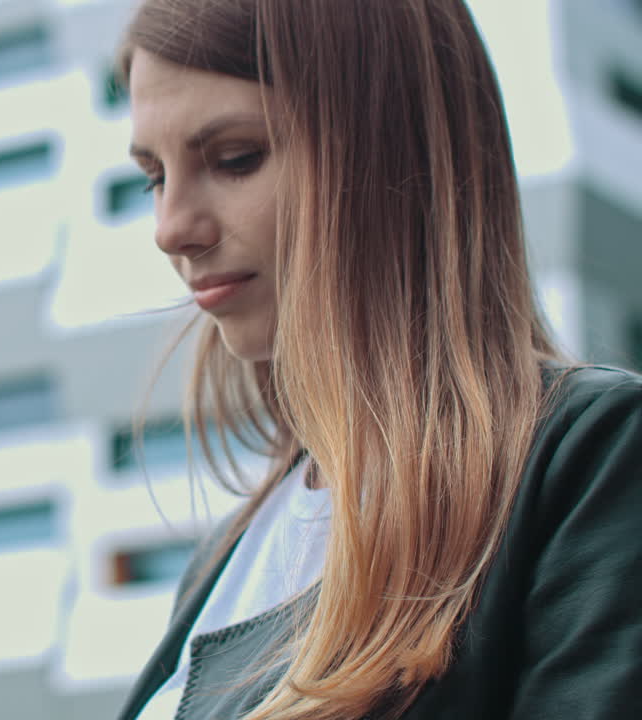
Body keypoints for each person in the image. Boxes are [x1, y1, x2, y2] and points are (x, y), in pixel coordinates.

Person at [110, 0, 642, 719]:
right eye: (154, 178)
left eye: (236, 159)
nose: (171, 229)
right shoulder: (224, 560)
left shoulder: (588, 462)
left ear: (395, 150)